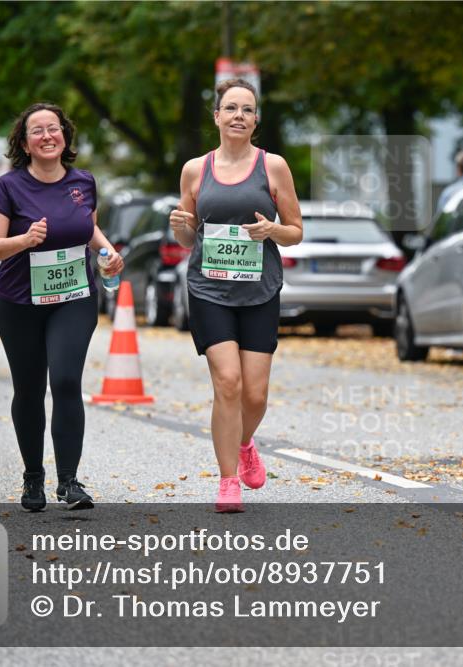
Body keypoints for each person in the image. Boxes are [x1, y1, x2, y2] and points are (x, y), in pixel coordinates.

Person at [0, 102, 124, 511]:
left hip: (74, 297)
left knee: (64, 381)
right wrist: (24, 240)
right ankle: (33, 478)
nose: (47, 136)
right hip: (20, 302)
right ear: (24, 143)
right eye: (37, 131)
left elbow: (88, 225)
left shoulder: (83, 182)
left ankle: (69, 482)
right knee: (29, 390)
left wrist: (109, 252)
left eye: (54, 129)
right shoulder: (8, 188)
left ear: (65, 135)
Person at [169, 78, 303, 513]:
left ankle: (245, 443)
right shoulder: (195, 169)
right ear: (217, 117)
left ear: (256, 119)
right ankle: (228, 481)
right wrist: (180, 228)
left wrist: (272, 231)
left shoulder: (274, 167)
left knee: (255, 395)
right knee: (227, 382)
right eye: (231, 108)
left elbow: (296, 232)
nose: (238, 116)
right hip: (209, 288)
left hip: (259, 290)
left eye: (247, 109)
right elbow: (190, 238)